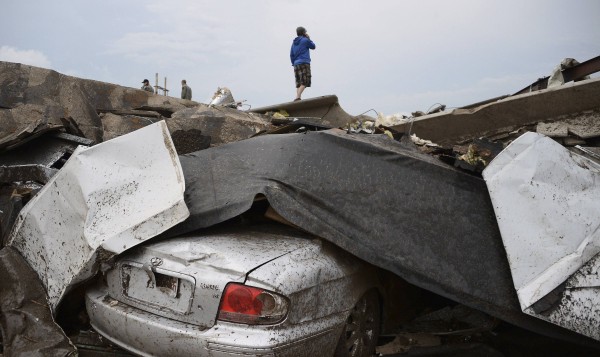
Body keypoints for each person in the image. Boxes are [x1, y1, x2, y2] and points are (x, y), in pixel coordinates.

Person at [290, 26, 315, 101]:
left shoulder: (294, 43)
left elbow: (291, 54)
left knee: (299, 83)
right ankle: (297, 97)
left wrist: (293, 63)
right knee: (305, 81)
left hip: (296, 64)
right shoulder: (305, 40)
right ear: (304, 32)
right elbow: (313, 46)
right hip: (304, 62)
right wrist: (309, 38)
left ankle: (298, 97)